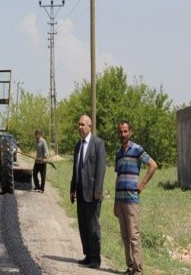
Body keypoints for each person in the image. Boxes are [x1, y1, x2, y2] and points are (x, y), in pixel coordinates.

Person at [114, 120, 157, 275]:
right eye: (120, 132)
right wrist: (115, 203)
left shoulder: (137, 149)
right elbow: (118, 178)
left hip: (132, 201)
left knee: (134, 236)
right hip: (120, 200)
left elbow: (153, 165)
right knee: (125, 236)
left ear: (130, 132)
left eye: (125, 131)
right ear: (118, 133)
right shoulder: (118, 154)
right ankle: (130, 266)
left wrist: (143, 183)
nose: (123, 134)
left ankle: (138, 270)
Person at [70, 114, 106, 269]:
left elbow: (101, 168)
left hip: (92, 193)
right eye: (78, 124)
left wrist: (98, 189)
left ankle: (95, 258)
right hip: (80, 192)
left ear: (89, 127)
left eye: (82, 125)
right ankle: (87, 255)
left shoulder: (98, 144)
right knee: (83, 225)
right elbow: (76, 169)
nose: (80, 127)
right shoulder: (78, 146)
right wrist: (72, 189)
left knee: (93, 227)